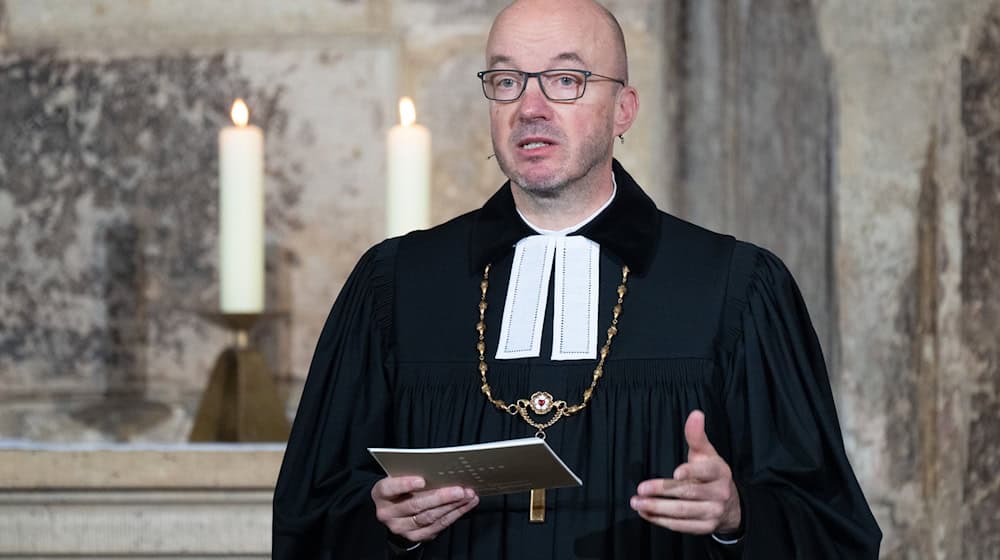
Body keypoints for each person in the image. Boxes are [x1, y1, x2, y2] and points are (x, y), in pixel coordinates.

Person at [272, 0, 882, 558]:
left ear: (624, 108)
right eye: (506, 80)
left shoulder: (736, 287)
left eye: (566, 80)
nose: (529, 108)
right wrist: (380, 522)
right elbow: (311, 513)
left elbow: (832, 527)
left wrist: (738, 513)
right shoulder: (395, 285)